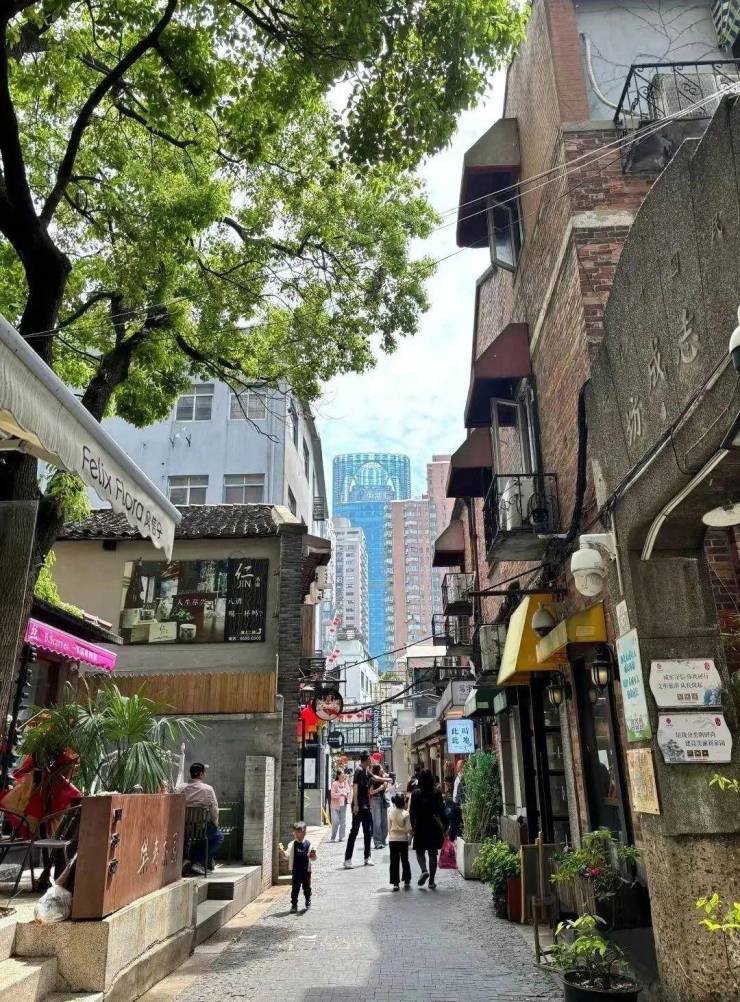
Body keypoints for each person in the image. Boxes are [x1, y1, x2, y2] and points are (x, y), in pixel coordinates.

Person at [180, 762, 223, 876]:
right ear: (201, 774)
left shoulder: (181, 788)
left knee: (193, 840)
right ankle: (198, 862)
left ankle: (188, 859)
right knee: (218, 837)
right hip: (201, 828)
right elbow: (214, 809)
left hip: (183, 828)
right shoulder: (208, 789)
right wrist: (215, 823)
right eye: (204, 772)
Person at [409, 768, 448, 890]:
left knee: (420, 851)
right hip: (433, 826)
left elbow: (412, 812)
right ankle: (431, 881)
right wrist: (445, 826)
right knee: (432, 853)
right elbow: (441, 810)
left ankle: (424, 870)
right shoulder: (436, 793)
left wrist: (413, 826)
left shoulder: (415, 793)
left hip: (420, 825)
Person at [344, 750, 374, 868]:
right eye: (370, 758)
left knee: (367, 832)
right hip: (359, 806)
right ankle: (347, 859)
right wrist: (356, 805)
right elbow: (355, 788)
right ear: (367, 759)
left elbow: (375, 777)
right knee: (354, 832)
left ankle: (367, 857)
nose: (371, 760)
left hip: (366, 806)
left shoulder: (366, 771)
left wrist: (387, 780)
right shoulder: (358, 770)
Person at [287, 822, 316, 913]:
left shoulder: (308, 844)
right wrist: (282, 853)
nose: (297, 835)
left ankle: (308, 900)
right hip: (296, 870)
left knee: (307, 887)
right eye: (296, 832)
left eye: (300, 832)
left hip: (306, 870)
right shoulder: (292, 844)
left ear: (304, 833)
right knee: (295, 888)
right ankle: (294, 904)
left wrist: (312, 855)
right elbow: (287, 855)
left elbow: (313, 858)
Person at [388, 793, 412, 891]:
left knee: (394, 861)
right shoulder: (406, 813)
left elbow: (389, 828)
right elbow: (408, 828)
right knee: (405, 860)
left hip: (393, 839)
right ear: (403, 802)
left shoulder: (390, 812)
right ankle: (406, 880)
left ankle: (395, 883)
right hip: (403, 839)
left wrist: (392, 834)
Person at [369, 763, 390, 849]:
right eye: (381, 768)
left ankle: (383, 840)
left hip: (383, 800)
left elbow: (386, 788)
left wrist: (386, 787)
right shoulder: (373, 779)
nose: (382, 769)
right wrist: (380, 788)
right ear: (377, 770)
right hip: (375, 800)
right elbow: (371, 792)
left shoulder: (383, 778)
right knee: (377, 822)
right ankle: (377, 842)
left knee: (384, 822)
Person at [330, 769, 351, 842]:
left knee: (343, 822)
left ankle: (341, 837)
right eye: (342, 774)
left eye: (343, 774)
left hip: (343, 805)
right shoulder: (335, 784)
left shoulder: (345, 783)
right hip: (335, 805)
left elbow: (348, 791)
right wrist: (341, 794)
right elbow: (332, 795)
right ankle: (333, 837)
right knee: (336, 821)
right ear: (338, 776)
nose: (343, 775)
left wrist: (345, 794)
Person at [451, 759, 465, 841]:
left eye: (458, 766)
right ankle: (454, 838)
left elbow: (462, 791)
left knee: (457, 821)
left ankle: (454, 838)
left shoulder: (463, 776)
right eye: (456, 766)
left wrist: (461, 803)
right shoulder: (458, 776)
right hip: (455, 802)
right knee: (455, 821)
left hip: (459, 803)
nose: (456, 767)